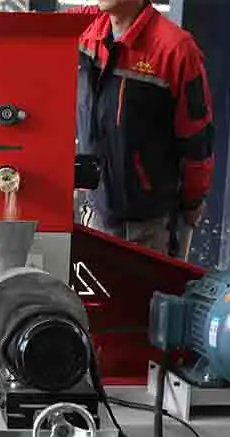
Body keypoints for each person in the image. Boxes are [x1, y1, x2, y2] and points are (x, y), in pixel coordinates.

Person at [73, 0, 215, 256]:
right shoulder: (86, 30)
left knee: (146, 296)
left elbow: (197, 140)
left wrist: (193, 201)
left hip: (149, 226)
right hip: (96, 211)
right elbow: (36, 27)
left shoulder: (175, 50)